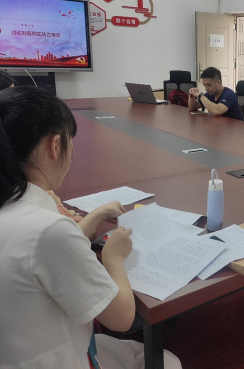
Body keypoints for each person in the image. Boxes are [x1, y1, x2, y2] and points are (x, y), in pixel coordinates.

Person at [0, 86, 181, 368]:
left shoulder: (14, 207)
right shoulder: (47, 231)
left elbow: (45, 253)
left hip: (23, 349)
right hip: (61, 357)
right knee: (167, 361)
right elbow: (121, 318)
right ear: (55, 145)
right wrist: (113, 257)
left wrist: (95, 215)